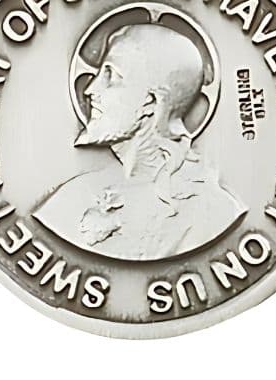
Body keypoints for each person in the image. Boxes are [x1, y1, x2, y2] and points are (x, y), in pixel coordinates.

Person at [34, 23, 245, 261]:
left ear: (152, 103)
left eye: (111, 77)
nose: (90, 89)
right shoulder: (70, 197)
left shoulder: (213, 213)